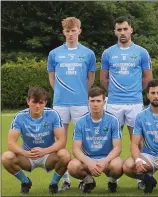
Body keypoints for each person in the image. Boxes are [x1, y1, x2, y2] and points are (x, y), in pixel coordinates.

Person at [100, 16, 153, 189]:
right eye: (119, 29)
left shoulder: (142, 52)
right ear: (115, 32)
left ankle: (140, 178)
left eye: (125, 29)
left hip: (135, 103)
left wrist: (134, 91)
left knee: (137, 142)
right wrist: (117, 92)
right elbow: (103, 80)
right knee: (111, 142)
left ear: (131, 30)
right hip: (114, 103)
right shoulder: (108, 53)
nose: (122, 32)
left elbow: (147, 78)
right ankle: (112, 179)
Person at [47, 17, 96, 190]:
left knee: (83, 141)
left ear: (79, 31)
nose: (70, 34)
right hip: (60, 103)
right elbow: (51, 77)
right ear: (64, 33)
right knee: (59, 143)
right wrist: (60, 91)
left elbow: (90, 78)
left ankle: (84, 176)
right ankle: (65, 179)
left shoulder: (88, 53)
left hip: (81, 103)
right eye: (67, 31)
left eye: (73, 30)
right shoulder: (54, 54)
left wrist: (81, 91)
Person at [1, 87, 71, 194]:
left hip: (48, 155)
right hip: (28, 156)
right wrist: (26, 153)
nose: (37, 106)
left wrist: (45, 151)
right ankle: (25, 182)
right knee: (6, 157)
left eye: (41, 102)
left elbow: (61, 140)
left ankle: (53, 184)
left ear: (45, 103)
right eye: (34, 102)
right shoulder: (20, 117)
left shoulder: (53, 114)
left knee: (65, 155)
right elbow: (11, 143)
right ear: (28, 101)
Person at [67, 87, 123, 193]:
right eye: (92, 101)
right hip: (88, 159)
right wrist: (89, 162)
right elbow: (76, 149)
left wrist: (103, 162)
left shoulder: (113, 120)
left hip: (107, 160)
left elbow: (117, 148)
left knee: (118, 165)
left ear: (104, 102)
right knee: (72, 166)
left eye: (98, 101)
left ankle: (112, 182)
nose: (95, 104)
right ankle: (89, 181)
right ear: (88, 102)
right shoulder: (80, 122)